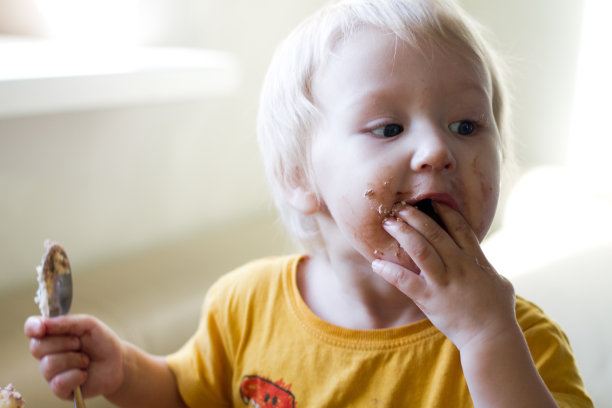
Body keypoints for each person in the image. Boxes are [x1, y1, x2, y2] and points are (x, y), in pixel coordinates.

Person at [24, 0, 593, 406]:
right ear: (300, 175)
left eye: (467, 124)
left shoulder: (522, 343)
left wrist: (485, 338)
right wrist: (123, 372)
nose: (437, 149)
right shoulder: (244, 305)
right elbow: (186, 393)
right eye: (389, 127)